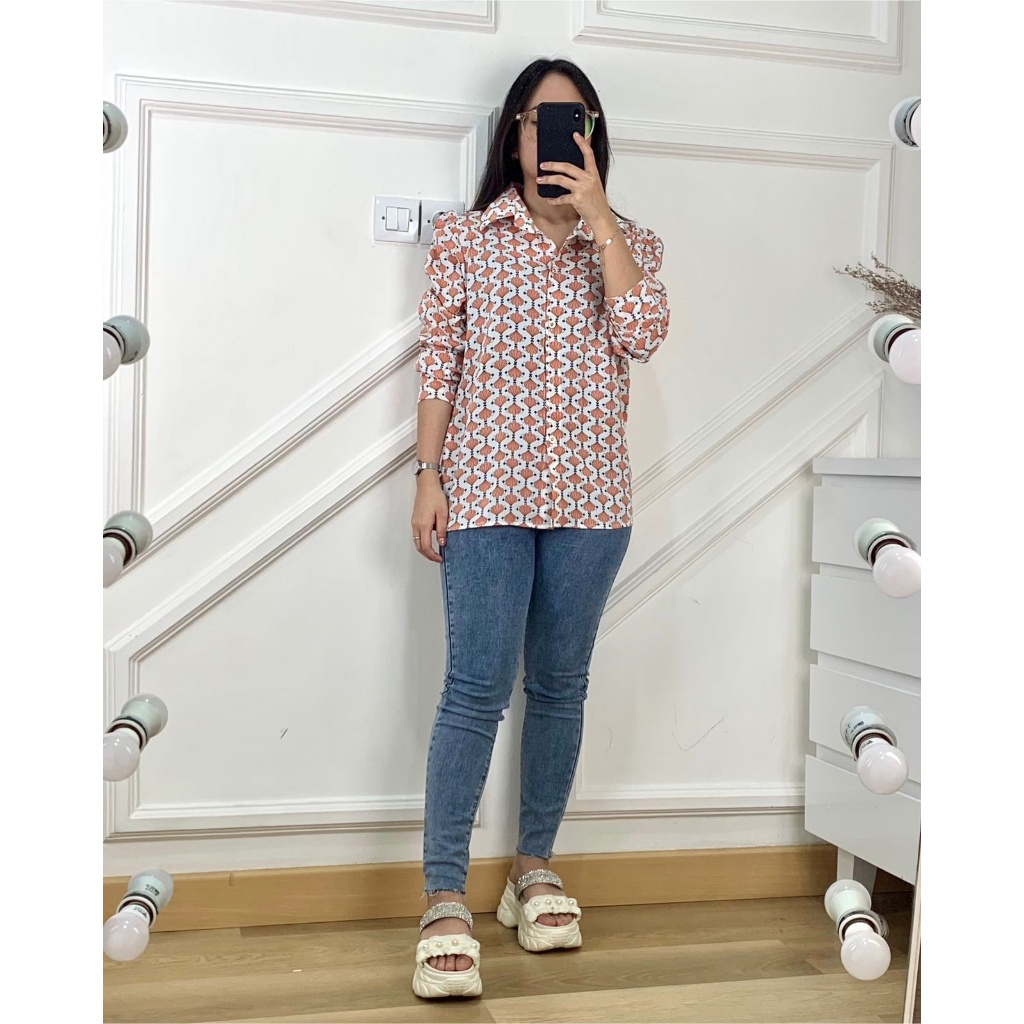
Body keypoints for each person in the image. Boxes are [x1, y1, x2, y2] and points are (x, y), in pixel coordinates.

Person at [410, 57, 670, 1000]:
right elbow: (439, 361)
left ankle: (533, 869)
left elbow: (643, 333)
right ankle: (444, 895)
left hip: (591, 503)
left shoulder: (629, 240)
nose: (553, 136)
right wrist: (428, 475)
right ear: (513, 134)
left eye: (574, 120)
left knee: (560, 687)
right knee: (474, 690)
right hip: (483, 495)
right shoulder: (467, 237)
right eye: (538, 120)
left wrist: (599, 219)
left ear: (594, 136)